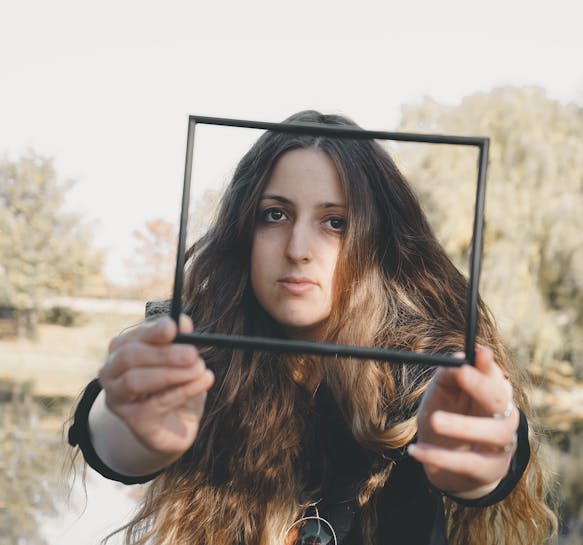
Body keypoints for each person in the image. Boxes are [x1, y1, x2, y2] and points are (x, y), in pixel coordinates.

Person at [68, 111, 556, 545]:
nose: (298, 247)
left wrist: (480, 464)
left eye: (335, 222)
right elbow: (106, 438)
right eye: (274, 215)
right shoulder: (196, 344)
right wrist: (131, 432)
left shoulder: (423, 357)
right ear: (244, 232)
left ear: (376, 241)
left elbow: (497, 455)